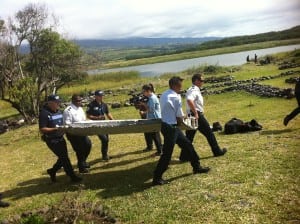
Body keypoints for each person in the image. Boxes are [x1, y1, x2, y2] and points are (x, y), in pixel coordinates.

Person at [152, 77, 210, 186]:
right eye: (180, 86)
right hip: (172, 128)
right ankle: (157, 178)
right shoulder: (175, 97)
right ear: (175, 86)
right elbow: (179, 117)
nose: (181, 88)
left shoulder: (164, 94)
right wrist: (185, 119)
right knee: (167, 154)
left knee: (188, 145)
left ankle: (196, 167)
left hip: (166, 125)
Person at [180, 74, 227, 161]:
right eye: (201, 80)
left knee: (189, 137)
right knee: (209, 134)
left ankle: (184, 156)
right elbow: (189, 100)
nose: (203, 82)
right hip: (196, 115)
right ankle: (217, 151)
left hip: (192, 115)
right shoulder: (193, 90)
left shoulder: (193, 89)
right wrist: (196, 113)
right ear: (196, 81)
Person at [39, 94, 82, 183]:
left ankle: (52, 171)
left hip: (60, 138)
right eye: (56, 102)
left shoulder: (59, 111)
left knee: (62, 158)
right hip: (52, 140)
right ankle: (72, 176)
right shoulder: (44, 113)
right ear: (50, 103)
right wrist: (56, 129)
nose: (58, 103)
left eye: (59, 102)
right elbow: (42, 129)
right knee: (64, 158)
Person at [63, 94, 92, 173]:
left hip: (82, 132)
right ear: (73, 101)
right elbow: (67, 124)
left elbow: (83, 119)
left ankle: (83, 162)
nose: (80, 102)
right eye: (78, 101)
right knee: (79, 150)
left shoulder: (80, 109)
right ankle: (81, 168)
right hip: (73, 134)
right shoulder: (68, 110)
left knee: (88, 145)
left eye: (80, 100)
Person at [86, 90, 114, 161]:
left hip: (104, 124)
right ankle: (104, 156)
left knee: (106, 139)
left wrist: (113, 121)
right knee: (104, 139)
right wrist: (97, 118)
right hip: (96, 125)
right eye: (99, 96)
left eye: (102, 95)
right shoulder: (91, 105)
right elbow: (88, 116)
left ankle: (105, 155)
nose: (101, 97)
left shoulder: (104, 104)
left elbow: (108, 113)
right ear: (95, 96)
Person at [140, 84, 162, 156]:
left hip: (154, 118)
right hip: (153, 118)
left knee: (155, 135)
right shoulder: (151, 97)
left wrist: (144, 107)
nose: (143, 93)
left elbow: (151, 110)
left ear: (148, 91)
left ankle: (159, 151)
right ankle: (159, 150)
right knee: (155, 135)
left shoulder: (152, 98)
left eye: (144, 91)